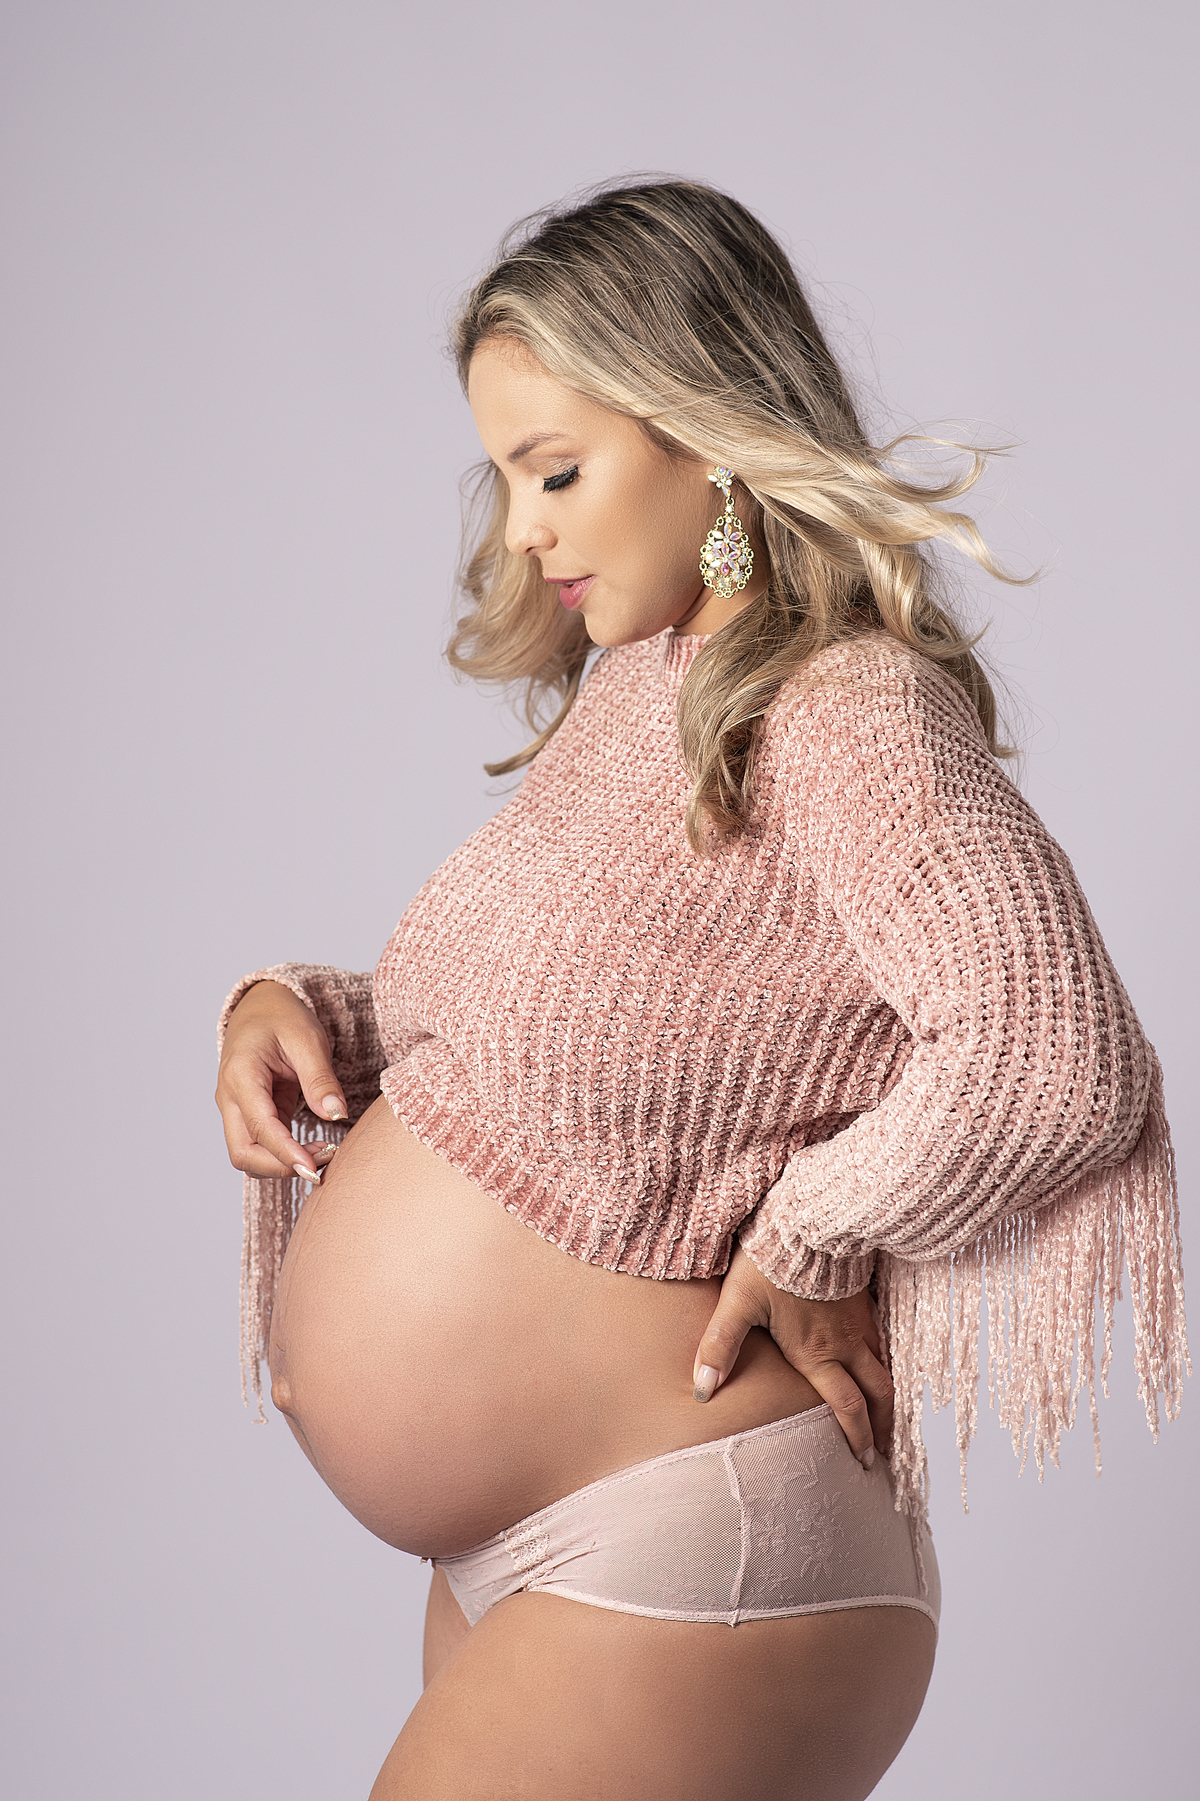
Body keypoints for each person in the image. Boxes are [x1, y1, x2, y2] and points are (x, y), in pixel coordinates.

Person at [214, 179, 1187, 1801]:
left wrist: (818, 1227)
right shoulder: (641, 690)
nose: (522, 527)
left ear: (710, 431)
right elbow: (591, 1031)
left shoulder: (848, 704)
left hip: (691, 1538)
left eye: (558, 470)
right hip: (568, 1544)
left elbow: (1055, 1039)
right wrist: (304, 1011)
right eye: (506, 476)